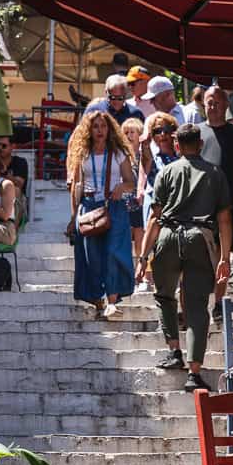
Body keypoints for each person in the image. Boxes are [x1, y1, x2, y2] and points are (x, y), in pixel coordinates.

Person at [138, 122, 232, 392]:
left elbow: (154, 218)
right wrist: (224, 257)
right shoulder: (215, 174)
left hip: (167, 236)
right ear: (200, 145)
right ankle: (194, 372)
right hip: (200, 239)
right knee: (196, 305)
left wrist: (143, 258)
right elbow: (224, 219)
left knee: (165, 296)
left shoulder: (166, 172)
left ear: (177, 145)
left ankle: (174, 351)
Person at [67, 111, 135, 319]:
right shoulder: (83, 154)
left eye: (103, 126)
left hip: (114, 206)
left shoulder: (118, 153)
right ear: (89, 129)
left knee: (114, 252)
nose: (99, 130)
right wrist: (73, 216)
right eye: (95, 126)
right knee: (92, 256)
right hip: (89, 207)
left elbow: (130, 182)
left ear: (110, 129)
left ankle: (112, 301)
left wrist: (121, 187)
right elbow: (76, 186)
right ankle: (98, 301)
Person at [199, 85, 233, 322]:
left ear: (226, 105)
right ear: (203, 104)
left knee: (225, 255)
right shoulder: (195, 133)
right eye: (209, 102)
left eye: (217, 102)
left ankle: (219, 303)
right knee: (200, 258)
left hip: (228, 205)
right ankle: (199, 303)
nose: (213, 106)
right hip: (199, 208)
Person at [140, 112, 179, 225]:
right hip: (155, 213)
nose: (162, 134)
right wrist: (145, 143)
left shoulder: (182, 158)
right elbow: (146, 158)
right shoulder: (152, 159)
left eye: (167, 129)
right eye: (157, 131)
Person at [121, 116, 145, 273]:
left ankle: (142, 270)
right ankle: (127, 271)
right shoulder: (121, 156)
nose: (129, 135)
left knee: (140, 237)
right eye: (126, 132)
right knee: (125, 238)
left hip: (140, 202)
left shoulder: (145, 155)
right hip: (124, 202)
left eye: (132, 132)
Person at [0, 135, 29, 224]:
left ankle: (13, 229)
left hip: (15, 199)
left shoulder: (20, 162)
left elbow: (19, 184)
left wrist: (4, 173)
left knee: (16, 190)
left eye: (4, 146)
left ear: (12, 147)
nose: (0, 148)